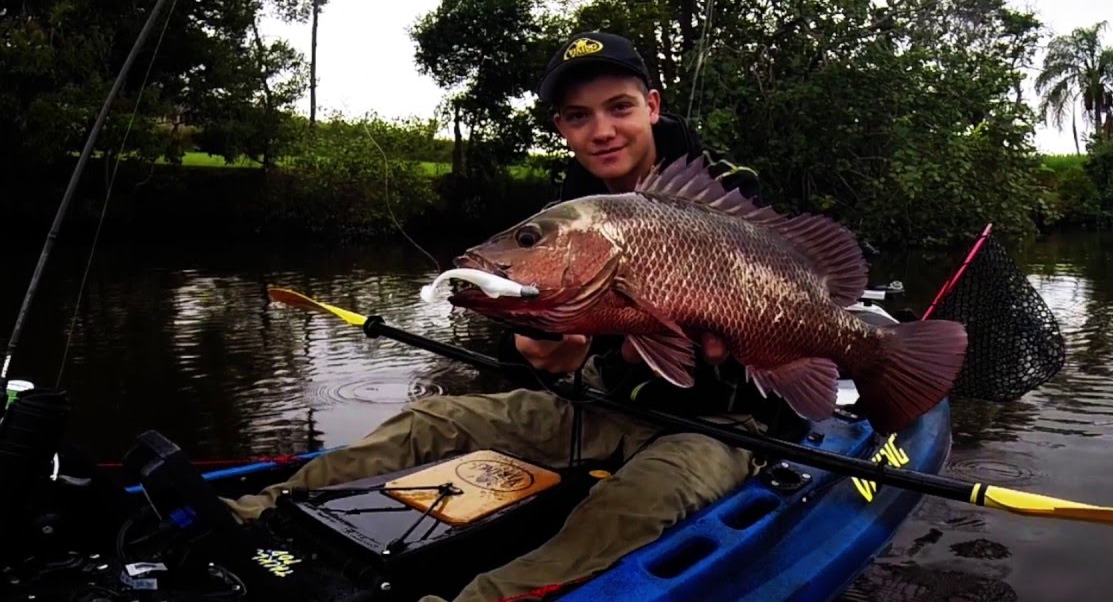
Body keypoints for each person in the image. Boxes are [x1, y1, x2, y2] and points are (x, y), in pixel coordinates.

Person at [223, 31, 799, 602]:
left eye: (619, 107)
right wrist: (537, 350)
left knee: (628, 506)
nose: (601, 131)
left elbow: (782, 311)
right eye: (578, 116)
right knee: (429, 421)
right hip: (605, 401)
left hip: (719, 424)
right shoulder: (570, 211)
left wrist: (709, 343)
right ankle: (246, 516)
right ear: (561, 128)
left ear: (652, 105)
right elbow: (549, 346)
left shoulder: (726, 192)